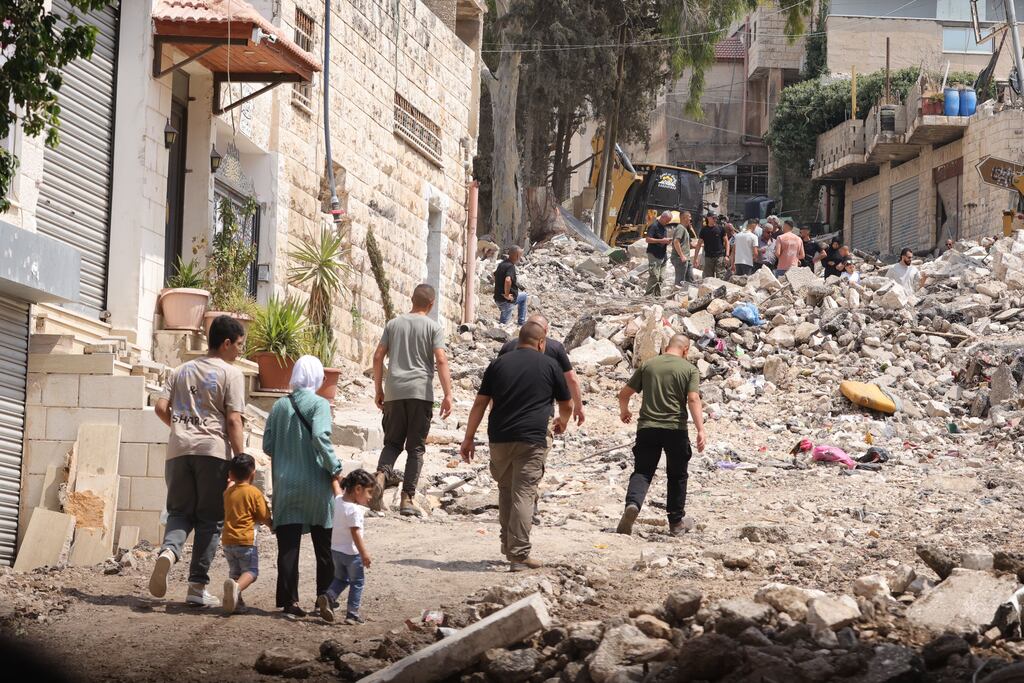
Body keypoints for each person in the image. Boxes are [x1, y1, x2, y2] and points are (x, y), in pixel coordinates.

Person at [150, 315, 247, 608]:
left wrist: (181, 428)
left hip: (178, 451)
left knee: (179, 512)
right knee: (210, 520)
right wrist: (241, 460)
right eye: (240, 345)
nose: (241, 351)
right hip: (213, 453)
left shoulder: (180, 370)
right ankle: (196, 587)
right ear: (226, 343)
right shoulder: (231, 374)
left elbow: (160, 406)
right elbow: (232, 419)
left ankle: (168, 552)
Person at [460, 322, 572, 572]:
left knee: (506, 490)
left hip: (499, 437)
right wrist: (562, 422)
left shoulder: (498, 364)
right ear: (542, 343)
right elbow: (567, 403)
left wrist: (468, 438)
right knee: (524, 493)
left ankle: (508, 545)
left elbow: (480, 404)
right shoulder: (550, 365)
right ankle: (519, 555)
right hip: (532, 439)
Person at [264, 356, 343, 617]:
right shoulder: (320, 404)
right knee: (324, 544)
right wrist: (335, 466)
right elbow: (320, 436)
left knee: (288, 546)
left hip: (286, 485)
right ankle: (326, 596)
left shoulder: (278, 406)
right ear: (317, 377)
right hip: (316, 485)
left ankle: (289, 601)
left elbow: (266, 445)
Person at [370, 284, 453, 516]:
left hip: (394, 392)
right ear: (432, 303)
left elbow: (377, 356)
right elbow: (441, 360)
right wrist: (448, 394)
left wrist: (379, 389)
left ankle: (380, 476)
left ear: (411, 299)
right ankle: (407, 499)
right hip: (420, 393)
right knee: (415, 448)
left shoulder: (393, 324)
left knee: (393, 443)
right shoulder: (433, 327)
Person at [616, 334, 706, 537]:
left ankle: (633, 505)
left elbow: (624, 394)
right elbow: (693, 398)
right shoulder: (689, 369)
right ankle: (675, 523)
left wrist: (625, 411)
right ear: (686, 350)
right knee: (677, 475)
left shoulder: (649, 365)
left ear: (667, 346)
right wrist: (700, 429)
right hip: (675, 429)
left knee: (642, 471)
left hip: (647, 427)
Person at [499, 314, 584, 425]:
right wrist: (577, 407)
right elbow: (571, 380)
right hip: (540, 419)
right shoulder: (555, 348)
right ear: (546, 330)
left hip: (507, 417)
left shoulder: (508, 347)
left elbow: (496, 384)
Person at [316, 469, 375, 625]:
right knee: (357, 582)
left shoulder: (339, 501)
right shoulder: (354, 510)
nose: (370, 497)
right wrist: (364, 554)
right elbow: (355, 533)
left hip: (336, 551)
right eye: (369, 492)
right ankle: (352, 614)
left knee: (341, 578)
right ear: (358, 489)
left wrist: (333, 477)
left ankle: (328, 597)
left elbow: (336, 488)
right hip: (351, 554)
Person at [221, 453, 271, 615]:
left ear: (230, 474)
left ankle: (236, 603)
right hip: (246, 541)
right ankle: (236, 589)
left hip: (228, 541)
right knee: (251, 572)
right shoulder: (254, 492)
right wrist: (272, 526)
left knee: (235, 574)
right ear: (253, 474)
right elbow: (263, 515)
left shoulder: (227, 493)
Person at [494, 246, 528, 325]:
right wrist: (506, 294)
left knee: (524, 296)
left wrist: (499, 288)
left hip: (498, 298)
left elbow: (494, 274)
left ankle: (521, 322)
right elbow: (508, 280)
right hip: (506, 301)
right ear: (516, 255)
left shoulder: (502, 264)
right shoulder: (510, 267)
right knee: (504, 326)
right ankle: (521, 322)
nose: (520, 258)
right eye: (520, 255)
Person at [644, 211, 674, 296]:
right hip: (654, 254)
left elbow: (662, 239)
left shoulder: (663, 227)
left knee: (661, 278)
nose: (668, 222)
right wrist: (662, 240)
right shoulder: (654, 226)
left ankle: (656, 296)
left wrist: (666, 241)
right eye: (667, 220)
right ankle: (648, 296)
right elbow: (648, 239)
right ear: (663, 217)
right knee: (654, 277)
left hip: (663, 255)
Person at [694, 213, 728, 279]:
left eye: (716, 218)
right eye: (713, 218)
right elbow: (699, 245)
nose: (715, 219)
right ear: (708, 218)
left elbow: (727, 242)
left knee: (721, 277)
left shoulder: (720, 229)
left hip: (719, 257)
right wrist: (695, 258)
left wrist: (726, 255)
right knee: (708, 278)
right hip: (708, 257)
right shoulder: (704, 230)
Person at [670, 211, 695, 287]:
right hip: (680, 259)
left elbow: (691, 245)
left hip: (686, 259)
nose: (690, 219)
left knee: (690, 280)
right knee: (680, 281)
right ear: (684, 218)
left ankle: (687, 296)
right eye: (689, 217)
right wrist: (681, 256)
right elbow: (676, 241)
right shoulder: (680, 228)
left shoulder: (685, 229)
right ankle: (676, 297)